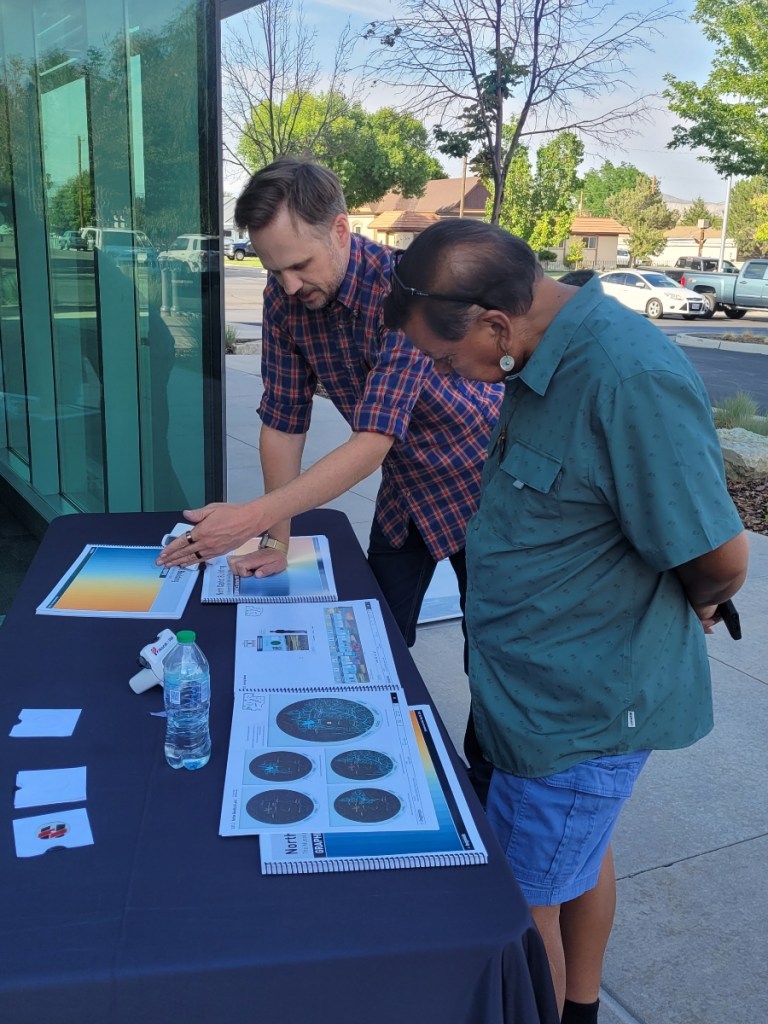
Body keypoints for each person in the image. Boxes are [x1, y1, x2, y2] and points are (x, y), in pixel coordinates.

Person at [381, 217, 749, 1023]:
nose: (449, 374)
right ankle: (578, 1008)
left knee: (521, 906)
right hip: (535, 699)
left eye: (446, 359)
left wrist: (698, 600)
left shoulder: (624, 377)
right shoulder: (537, 354)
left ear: (494, 323)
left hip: (582, 709)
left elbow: (721, 559)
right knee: (574, 858)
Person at [157, 158, 503, 790]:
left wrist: (252, 517)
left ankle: (487, 793)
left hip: (481, 483)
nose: (287, 285)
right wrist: (276, 538)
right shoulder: (284, 301)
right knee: (375, 639)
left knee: (492, 654)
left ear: (341, 229)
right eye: (272, 269)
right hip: (407, 492)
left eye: (299, 265)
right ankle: (371, 765)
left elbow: (372, 439)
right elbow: (282, 422)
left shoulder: (407, 288)